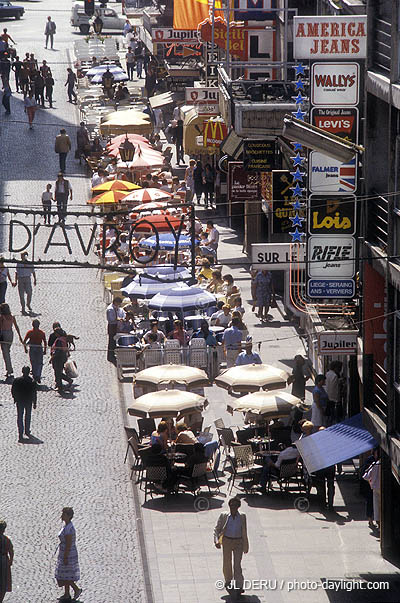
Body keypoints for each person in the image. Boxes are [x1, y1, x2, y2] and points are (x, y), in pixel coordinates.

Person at [214, 497, 249, 599]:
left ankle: (239, 585)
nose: (233, 507)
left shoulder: (242, 516)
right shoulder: (224, 516)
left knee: (237, 564)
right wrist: (216, 540)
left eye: (235, 505)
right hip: (227, 541)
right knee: (227, 562)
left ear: (238, 506)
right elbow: (217, 529)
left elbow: (244, 531)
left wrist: (246, 544)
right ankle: (228, 580)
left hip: (238, 542)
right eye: (231, 505)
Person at [55, 508, 82, 602]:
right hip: (64, 552)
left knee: (66, 574)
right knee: (65, 573)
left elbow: (68, 543)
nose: (62, 516)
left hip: (68, 553)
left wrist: (66, 556)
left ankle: (76, 589)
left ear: (68, 516)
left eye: (64, 514)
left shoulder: (69, 528)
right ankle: (67, 594)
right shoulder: (66, 526)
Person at [11, 366, 37, 442]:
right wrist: (34, 402)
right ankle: (27, 430)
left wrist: (15, 398)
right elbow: (34, 393)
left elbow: (13, 390)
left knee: (20, 417)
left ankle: (20, 433)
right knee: (27, 416)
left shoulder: (17, 380)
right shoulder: (32, 381)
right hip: (28, 401)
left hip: (20, 401)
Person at [0, 303, 22, 379]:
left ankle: (9, 369)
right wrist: (20, 336)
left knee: (5, 353)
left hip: (4, 334)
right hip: (10, 334)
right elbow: (16, 327)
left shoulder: (2, 317)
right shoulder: (12, 317)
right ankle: (9, 369)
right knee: (7, 351)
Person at [363, 447, 381, 531]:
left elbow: (365, 476)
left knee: (377, 505)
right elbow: (365, 475)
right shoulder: (372, 462)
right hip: (371, 486)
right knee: (371, 503)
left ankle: (378, 522)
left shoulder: (376, 463)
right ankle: (371, 520)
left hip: (374, 486)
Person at [50, 327, 72, 392]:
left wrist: (52, 357)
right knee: (58, 372)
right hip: (62, 358)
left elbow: (57, 350)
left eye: (55, 333)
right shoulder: (63, 339)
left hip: (58, 359)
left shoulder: (59, 340)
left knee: (58, 373)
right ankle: (60, 386)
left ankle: (63, 384)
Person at [106, 297, 126, 364]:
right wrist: (118, 319)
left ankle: (113, 354)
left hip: (115, 325)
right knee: (111, 341)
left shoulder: (116, 308)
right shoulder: (110, 309)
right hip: (112, 326)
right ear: (115, 302)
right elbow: (111, 319)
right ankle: (110, 355)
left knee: (114, 341)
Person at [0, 520, 13, 602]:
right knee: (3, 580)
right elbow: (11, 551)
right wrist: (11, 560)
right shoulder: (6, 539)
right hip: (4, 560)